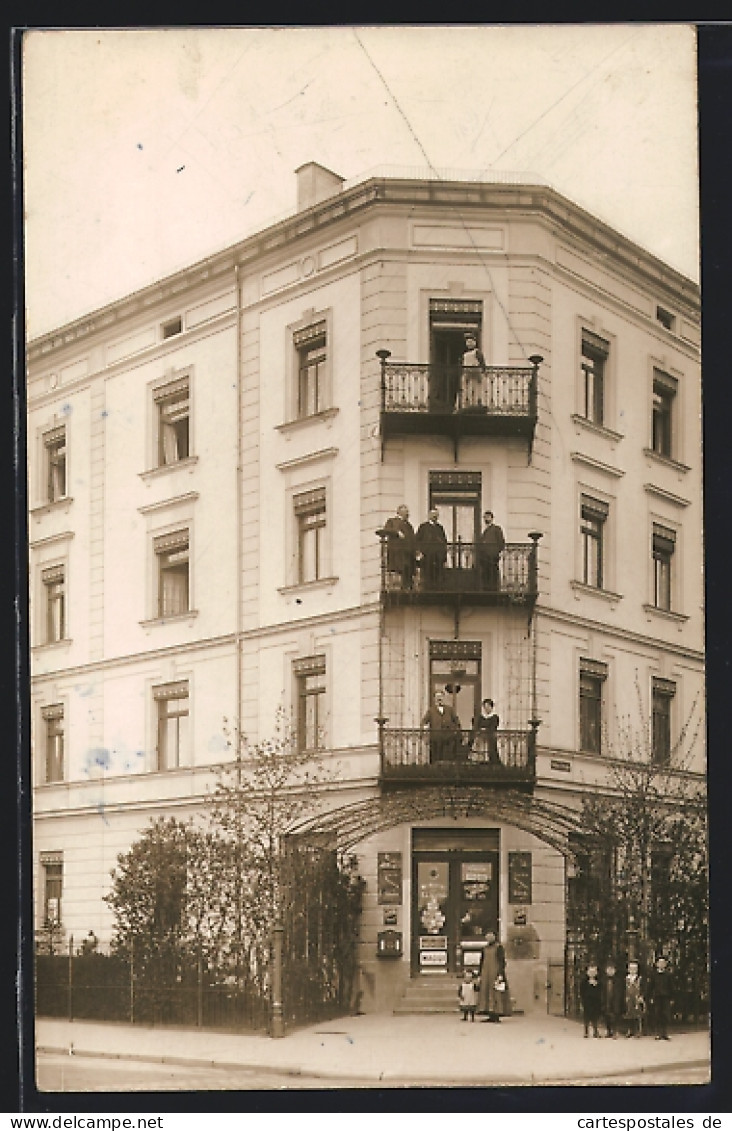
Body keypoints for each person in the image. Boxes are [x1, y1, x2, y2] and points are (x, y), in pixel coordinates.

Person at [477, 931, 511, 1022]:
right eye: (487, 936)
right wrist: (479, 974)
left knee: (496, 994)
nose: (488, 938)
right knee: (486, 993)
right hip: (486, 973)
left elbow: (502, 961)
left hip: (495, 973)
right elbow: (481, 961)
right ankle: (490, 1013)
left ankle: (497, 1014)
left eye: (490, 936)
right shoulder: (484, 948)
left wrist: (500, 974)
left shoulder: (499, 948)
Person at [421, 690, 462, 763]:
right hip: (436, 739)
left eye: (441, 696)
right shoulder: (431, 711)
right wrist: (425, 729)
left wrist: (455, 731)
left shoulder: (450, 709)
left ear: (443, 698)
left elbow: (457, 722)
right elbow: (424, 722)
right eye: (437, 697)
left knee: (448, 759)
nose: (439, 698)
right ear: (434, 699)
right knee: (436, 759)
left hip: (448, 739)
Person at [383, 504, 416, 590]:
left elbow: (413, 539)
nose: (408, 514)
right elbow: (386, 530)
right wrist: (397, 532)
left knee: (407, 577)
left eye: (407, 512)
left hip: (408, 555)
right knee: (398, 574)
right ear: (400, 512)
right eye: (406, 512)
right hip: (397, 553)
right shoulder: (392, 521)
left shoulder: (409, 526)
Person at [415, 508, 448, 588]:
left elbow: (444, 542)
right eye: (433, 515)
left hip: (438, 557)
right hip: (427, 557)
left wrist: (444, 557)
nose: (434, 516)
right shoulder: (423, 527)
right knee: (426, 577)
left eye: (436, 515)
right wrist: (419, 552)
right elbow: (417, 540)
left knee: (437, 577)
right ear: (429, 515)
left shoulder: (440, 528)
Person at [476, 511, 505, 592]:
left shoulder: (496, 529)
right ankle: (486, 588)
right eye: (485, 517)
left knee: (493, 573)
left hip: (492, 556)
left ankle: (493, 588)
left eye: (488, 517)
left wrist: (495, 551)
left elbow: (501, 542)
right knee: (486, 574)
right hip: (485, 558)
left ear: (492, 518)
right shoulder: (484, 532)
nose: (486, 518)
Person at [648, 955, 673, 1040]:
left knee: (665, 1015)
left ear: (665, 964)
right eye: (660, 962)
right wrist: (650, 997)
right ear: (656, 964)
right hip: (656, 997)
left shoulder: (668, 975)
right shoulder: (653, 975)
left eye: (663, 963)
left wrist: (672, 998)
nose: (661, 964)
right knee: (657, 1014)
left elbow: (671, 987)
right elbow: (650, 987)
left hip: (666, 997)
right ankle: (658, 1033)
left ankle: (664, 1033)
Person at [460, 332, 486, 410]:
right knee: (466, 389)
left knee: (476, 389)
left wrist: (481, 371)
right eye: (468, 342)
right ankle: (467, 404)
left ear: (474, 343)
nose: (469, 344)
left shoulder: (477, 352)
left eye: (471, 342)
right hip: (467, 374)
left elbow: (482, 363)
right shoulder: (465, 354)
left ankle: (476, 404)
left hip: (476, 373)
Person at [471, 698, 501, 765]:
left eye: (488, 707)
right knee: (479, 752)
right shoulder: (481, 717)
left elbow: (494, 726)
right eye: (485, 707)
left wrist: (486, 730)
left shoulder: (494, 717)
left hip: (489, 737)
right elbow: (477, 725)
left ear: (491, 707)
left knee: (490, 751)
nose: (486, 708)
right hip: (481, 737)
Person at [601, 960, 623, 1038]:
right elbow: (602, 991)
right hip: (606, 999)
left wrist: (619, 1000)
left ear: (615, 970)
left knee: (615, 1016)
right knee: (606, 1015)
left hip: (615, 999)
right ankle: (608, 1030)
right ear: (606, 970)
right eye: (608, 969)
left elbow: (620, 991)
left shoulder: (618, 980)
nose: (610, 971)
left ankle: (615, 1030)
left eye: (612, 969)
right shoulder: (603, 980)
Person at [579, 963, 602, 1038]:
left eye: (594, 972)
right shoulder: (584, 981)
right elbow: (581, 992)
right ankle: (586, 1031)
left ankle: (595, 1031)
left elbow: (600, 991)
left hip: (595, 1002)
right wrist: (582, 1001)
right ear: (587, 972)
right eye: (590, 972)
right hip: (587, 1001)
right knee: (586, 1017)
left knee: (595, 1016)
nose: (592, 973)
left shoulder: (599, 982)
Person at [623, 960, 645, 1038]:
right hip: (628, 998)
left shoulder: (640, 978)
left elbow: (643, 988)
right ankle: (630, 1030)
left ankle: (638, 1030)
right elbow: (623, 989)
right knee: (629, 1014)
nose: (633, 970)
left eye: (635, 968)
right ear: (628, 969)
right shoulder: (626, 979)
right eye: (631, 968)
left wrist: (641, 996)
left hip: (637, 997)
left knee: (638, 1014)